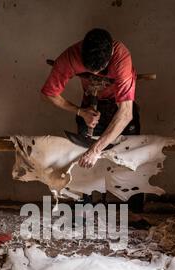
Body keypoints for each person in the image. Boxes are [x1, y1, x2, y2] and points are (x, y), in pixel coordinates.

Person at [41, 28, 140, 170]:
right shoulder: (70, 57)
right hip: (90, 105)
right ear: (81, 51)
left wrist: (95, 149)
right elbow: (48, 94)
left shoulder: (121, 57)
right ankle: (88, 191)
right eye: (90, 71)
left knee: (129, 162)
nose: (96, 74)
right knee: (85, 164)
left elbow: (125, 113)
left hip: (120, 105)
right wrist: (81, 112)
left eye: (101, 70)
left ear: (111, 53)